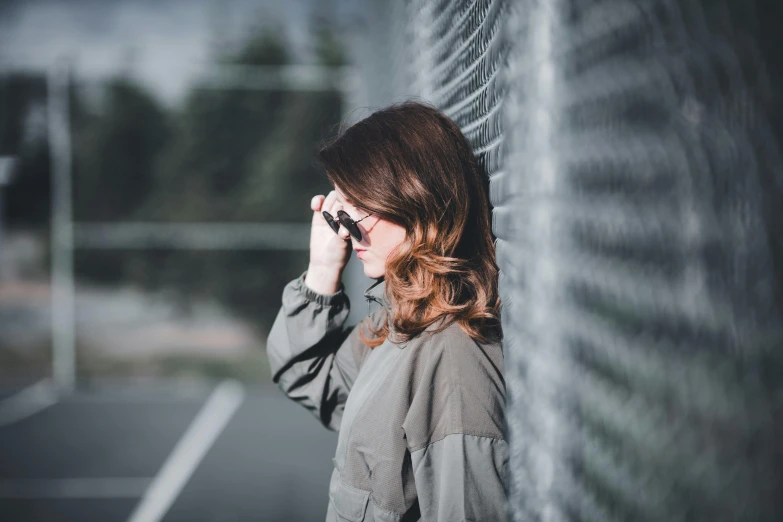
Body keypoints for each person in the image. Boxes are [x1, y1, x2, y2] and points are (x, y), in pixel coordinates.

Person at [266, 101, 508, 522]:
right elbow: (309, 378)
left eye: (360, 206)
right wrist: (323, 268)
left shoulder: (450, 362)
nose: (344, 226)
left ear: (414, 200)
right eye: (341, 207)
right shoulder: (400, 323)